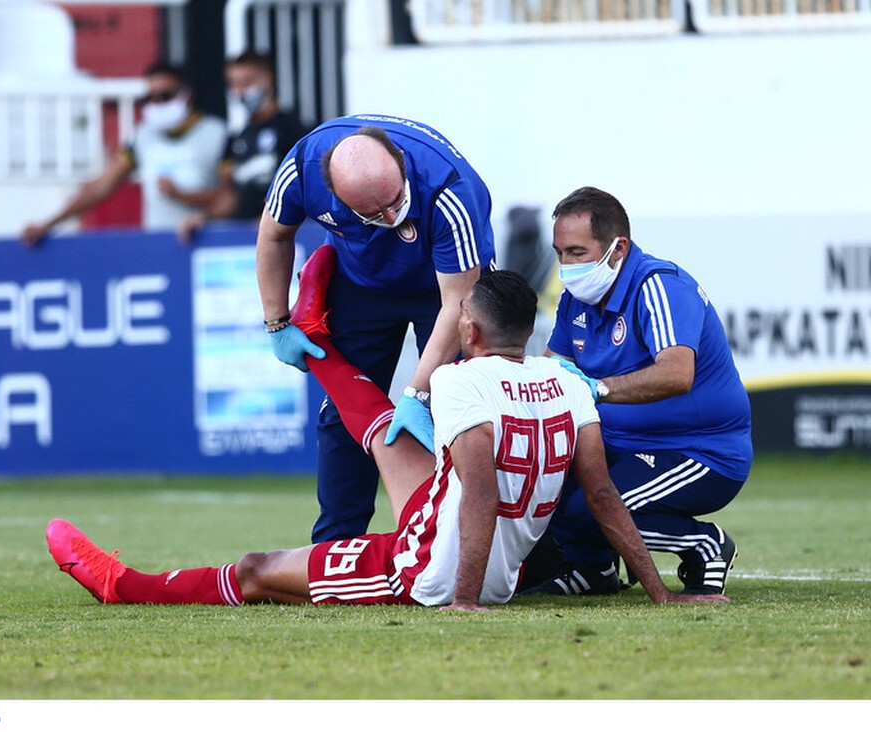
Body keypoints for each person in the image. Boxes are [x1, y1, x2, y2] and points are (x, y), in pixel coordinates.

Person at [46, 259, 729, 610]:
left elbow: (481, 494)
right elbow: (604, 496)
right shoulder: (567, 381)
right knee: (385, 434)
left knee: (256, 569)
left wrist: (463, 600)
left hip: (427, 568)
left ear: (469, 329)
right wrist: (659, 593)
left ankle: (123, 585)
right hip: (481, 547)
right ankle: (314, 339)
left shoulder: (459, 379)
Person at [257, 114, 496, 544]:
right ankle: (334, 546)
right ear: (332, 194)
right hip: (362, 283)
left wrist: (418, 393)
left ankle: (476, 544)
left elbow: (458, 306)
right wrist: (276, 322)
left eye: (395, 201)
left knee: (463, 409)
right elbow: (274, 235)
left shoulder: (449, 191)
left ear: (401, 162)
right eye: (372, 213)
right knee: (344, 415)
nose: (389, 217)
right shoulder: (301, 169)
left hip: (446, 287)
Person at [523, 186, 752, 596]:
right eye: (559, 253)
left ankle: (704, 544)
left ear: (618, 249)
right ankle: (592, 569)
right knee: (537, 476)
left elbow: (676, 374)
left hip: (699, 452)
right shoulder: (576, 299)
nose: (565, 266)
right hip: (619, 444)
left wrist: (599, 389)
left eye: (577, 252)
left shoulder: (659, 287)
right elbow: (553, 367)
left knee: (595, 507)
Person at [20, 62, 226, 246]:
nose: (157, 104)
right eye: (150, 98)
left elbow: (231, 198)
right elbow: (102, 186)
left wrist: (181, 195)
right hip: (158, 243)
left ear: (187, 96)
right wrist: (49, 223)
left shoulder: (217, 134)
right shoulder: (143, 136)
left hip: (207, 242)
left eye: (165, 96)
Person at [176, 50, 308, 241]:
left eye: (246, 82)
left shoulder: (293, 130)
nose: (239, 91)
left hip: (286, 237)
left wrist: (273, 220)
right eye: (233, 84)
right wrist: (204, 217)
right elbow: (232, 196)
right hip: (245, 239)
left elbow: (307, 187)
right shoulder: (237, 137)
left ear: (268, 80)